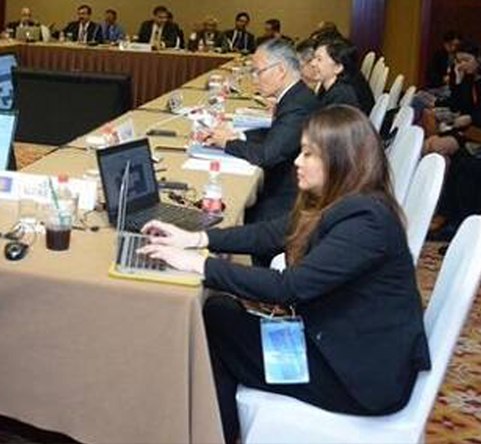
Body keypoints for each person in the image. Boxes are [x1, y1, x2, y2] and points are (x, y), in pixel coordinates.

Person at [141, 105, 430, 444]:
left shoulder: (365, 221)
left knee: (217, 325)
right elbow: (270, 234)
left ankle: (214, 433)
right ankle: (219, 430)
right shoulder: (346, 201)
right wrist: (197, 238)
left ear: (341, 160)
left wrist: (198, 264)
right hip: (339, 346)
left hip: (355, 378)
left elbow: (289, 287)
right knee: (220, 312)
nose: (297, 161)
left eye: (309, 154)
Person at [205, 38, 319, 230]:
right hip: (286, 184)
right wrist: (238, 136)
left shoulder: (297, 105)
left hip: (287, 200)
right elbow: (279, 132)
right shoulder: (295, 95)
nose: (255, 79)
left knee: (224, 211)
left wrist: (227, 143)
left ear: (281, 70)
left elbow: (268, 155)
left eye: (259, 72)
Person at [312, 35, 373, 114]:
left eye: (319, 59)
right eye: (314, 57)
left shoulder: (341, 97)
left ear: (338, 67)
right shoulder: (332, 86)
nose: (313, 63)